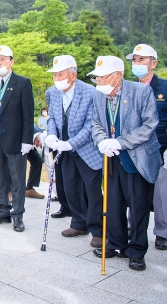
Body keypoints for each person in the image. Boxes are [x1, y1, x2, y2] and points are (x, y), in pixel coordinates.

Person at [89, 56, 161, 271]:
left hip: (136, 159)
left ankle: (137, 250)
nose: (99, 82)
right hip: (111, 160)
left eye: (102, 78)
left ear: (118, 75)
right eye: (97, 78)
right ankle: (116, 242)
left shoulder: (141, 92)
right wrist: (102, 141)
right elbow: (95, 123)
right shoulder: (99, 95)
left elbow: (150, 125)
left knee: (138, 207)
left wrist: (119, 142)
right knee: (112, 204)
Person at [44, 55, 104, 248]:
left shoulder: (90, 92)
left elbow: (90, 124)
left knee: (92, 190)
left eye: (59, 74)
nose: (56, 78)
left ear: (72, 75)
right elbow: (52, 118)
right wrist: (51, 135)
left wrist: (71, 143)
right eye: (54, 74)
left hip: (87, 149)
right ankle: (79, 223)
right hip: (63, 149)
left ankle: (98, 229)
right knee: (70, 188)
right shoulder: (52, 93)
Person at [127, 44, 167, 251]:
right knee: (134, 193)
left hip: (160, 149)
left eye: (141, 60)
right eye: (134, 60)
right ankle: (134, 228)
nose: (137, 64)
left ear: (153, 63)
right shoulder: (129, 88)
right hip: (136, 150)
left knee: (162, 195)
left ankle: (162, 233)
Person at [0, 45, 34, 232]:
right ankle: (2, 210)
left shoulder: (22, 83)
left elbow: (28, 114)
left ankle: (17, 214)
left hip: (15, 139)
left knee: (17, 179)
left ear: (11, 61)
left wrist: (27, 140)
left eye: (3, 59)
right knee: (0, 178)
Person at [25, 126, 45, 199]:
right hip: (20, 140)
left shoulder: (41, 134)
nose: (39, 146)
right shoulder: (31, 131)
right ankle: (11, 190)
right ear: (37, 140)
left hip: (30, 143)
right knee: (19, 164)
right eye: (40, 145)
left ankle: (29, 189)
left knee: (37, 160)